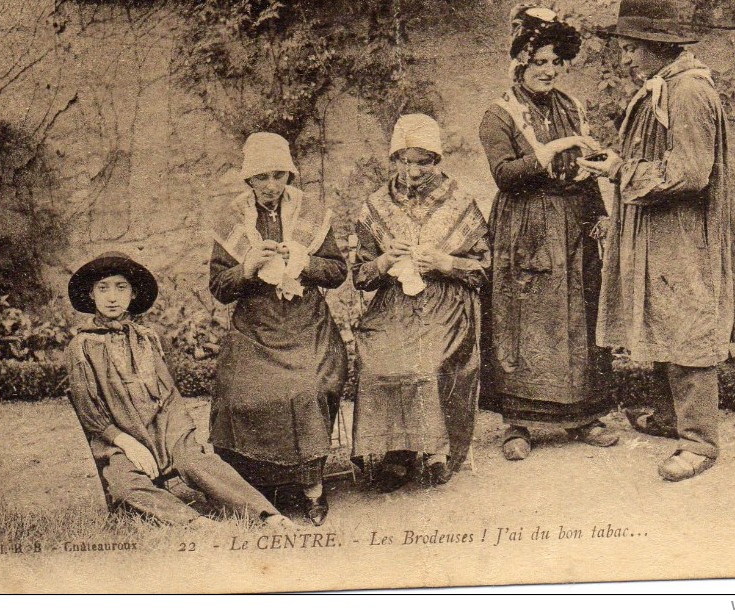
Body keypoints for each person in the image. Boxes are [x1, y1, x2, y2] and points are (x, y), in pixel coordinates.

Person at [577, 0, 735, 481]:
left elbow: (692, 173)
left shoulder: (689, 91)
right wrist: (617, 159)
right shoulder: (664, 85)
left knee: (687, 322)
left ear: (659, 45)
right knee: (662, 314)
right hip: (661, 229)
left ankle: (699, 443)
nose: (626, 54)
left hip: (685, 233)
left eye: (632, 45)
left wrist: (620, 171)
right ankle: (672, 418)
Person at [479, 4, 618, 461]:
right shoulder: (498, 114)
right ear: (521, 59)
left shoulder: (572, 107)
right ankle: (519, 423)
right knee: (526, 320)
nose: (549, 71)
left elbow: (588, 168)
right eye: (540, 61)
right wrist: (557, 146)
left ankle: (586, 415)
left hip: (574, 222)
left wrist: (600, 212)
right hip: (526, 226)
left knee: (581, 312)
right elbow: (506, 175)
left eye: (557, 62)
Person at [66, 251, 292, 528]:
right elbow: (89, 409)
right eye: (103, 288)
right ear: (91, 294)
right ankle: (191, 521)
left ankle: (267, 515)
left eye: (121, 287)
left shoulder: (147, 339)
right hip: (119, 441)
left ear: (133, 294)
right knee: (125, 485)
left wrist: (180, 438)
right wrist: (127, 443)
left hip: (165, 430)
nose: (112, 297)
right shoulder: (82, 347)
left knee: (200, 463)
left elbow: (169, 396)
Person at [208, 132, 348, 526]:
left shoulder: (311, 215)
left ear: (290, 175)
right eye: (262, 177)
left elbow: (338, 272)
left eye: (279, 176)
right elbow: (219, 288)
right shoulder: (232, 222)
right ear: (248, 180)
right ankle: (258, 485)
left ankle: (312, 488)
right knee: (242, 398)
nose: (271, 186)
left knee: (306, 391)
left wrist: (305, 261)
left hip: (308, 327)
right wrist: (247, 267)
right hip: (254, 330)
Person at [351, 114, 490, 492]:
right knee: (377, 365)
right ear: (394, 159)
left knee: (427, 363)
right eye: (405, 160)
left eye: (423, 161)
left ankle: (435, 451)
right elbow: (359, 277)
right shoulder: (377, 205)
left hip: (446, 303)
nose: (413, 171)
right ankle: (396, 451)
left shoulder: (460, 202)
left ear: (437, 161)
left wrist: (449, 263)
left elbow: (486, 270)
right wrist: (382, 261)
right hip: (393, 304)